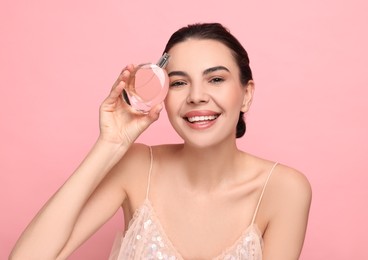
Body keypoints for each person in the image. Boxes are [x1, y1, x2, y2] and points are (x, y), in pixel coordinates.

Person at [10, 23, 312, 260]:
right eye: (179, 82)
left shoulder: (284, 189)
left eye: (216, 79)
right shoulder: (137, 167)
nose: (196, 96)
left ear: (246, 94)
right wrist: (111, 144)